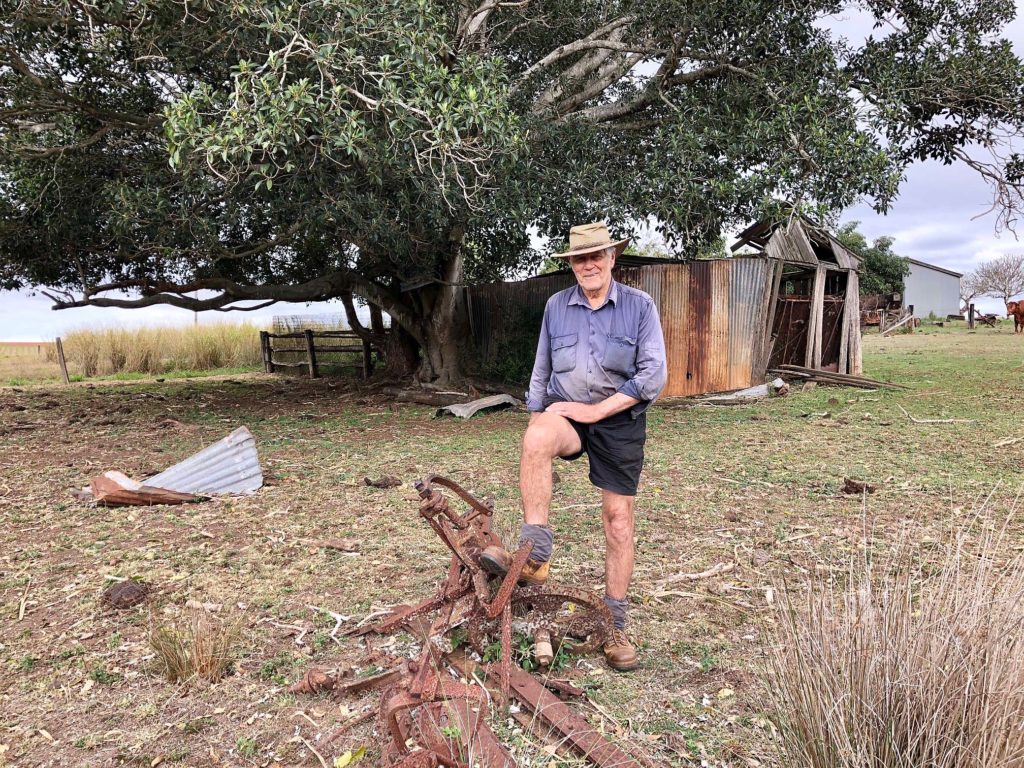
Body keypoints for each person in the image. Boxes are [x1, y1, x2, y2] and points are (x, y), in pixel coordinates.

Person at [480, 221, 667, 671]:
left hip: (619, 419)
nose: (588, 265)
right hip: (567, 414)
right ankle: (536, 555)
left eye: (595, 256)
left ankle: (615, 624)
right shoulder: (555, 307)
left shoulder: (640, 307)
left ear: (612, 258)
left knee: (618, 521)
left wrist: (596, 411)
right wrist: (537, 428)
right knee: (536, 437)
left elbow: (653, 376)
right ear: (572, 265)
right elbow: (541, 372)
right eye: (579, 259)